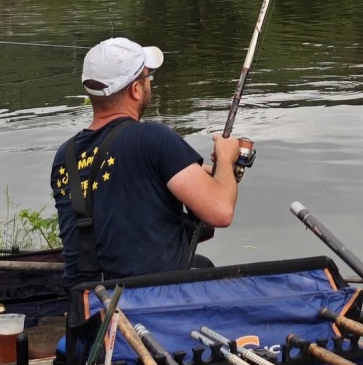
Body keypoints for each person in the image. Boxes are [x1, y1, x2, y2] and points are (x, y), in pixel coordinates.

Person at [51, 36, 242, 285]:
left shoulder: (65, 156)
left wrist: (201, 173)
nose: (150, 83)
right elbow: (221, 211)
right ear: (135, 89)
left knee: (202, 264)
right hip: (149, 297)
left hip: (89, 297)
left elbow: (122, 186)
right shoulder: (153, 138)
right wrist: (226, 158)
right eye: (147, 77)